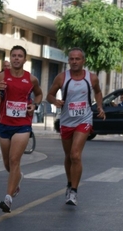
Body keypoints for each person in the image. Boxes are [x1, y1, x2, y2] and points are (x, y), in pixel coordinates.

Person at [0, 45, 43, 213]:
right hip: (5, 124)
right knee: (8, 164)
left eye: (20, 56)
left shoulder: (31, 79)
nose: (16, 58)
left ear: (24, 59)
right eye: (14, 55)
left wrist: (35, 105)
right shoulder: (2, 76)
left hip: (23, 125)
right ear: (10, 58)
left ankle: (8, 198)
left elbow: (39, 94)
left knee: (15, 160)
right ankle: (18, 178)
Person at [46, 47, 105, 206]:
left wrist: (99, 106)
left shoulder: (91, 78)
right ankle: (69, 182)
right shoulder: (61, 78)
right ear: (68, 61)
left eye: (77, 59)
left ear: (83, 61)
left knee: (75, 155)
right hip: (66, 120)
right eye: (71, 59)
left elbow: (98, 92)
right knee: (68, 156)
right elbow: (49, 95)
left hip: (84, 120)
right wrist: (55, 101)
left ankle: (74, 191)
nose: (74, 62)